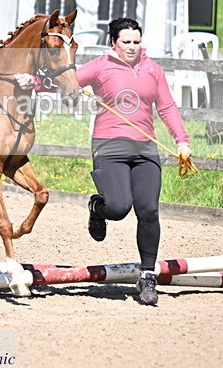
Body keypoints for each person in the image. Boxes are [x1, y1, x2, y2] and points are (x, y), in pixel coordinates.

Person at [75, 17, 192, 306]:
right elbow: (65, 82)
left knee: (149, 210)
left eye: (136, 42)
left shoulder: (152, 69)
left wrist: (182, 140)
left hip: (144, 149)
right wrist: (73, 87)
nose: (131, 47)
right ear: (113, 42)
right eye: (125, 42)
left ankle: (147, 275)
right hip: (109, 145)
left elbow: (166, 106)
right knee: (117, 207)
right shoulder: (101, 65)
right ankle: (96, 207)